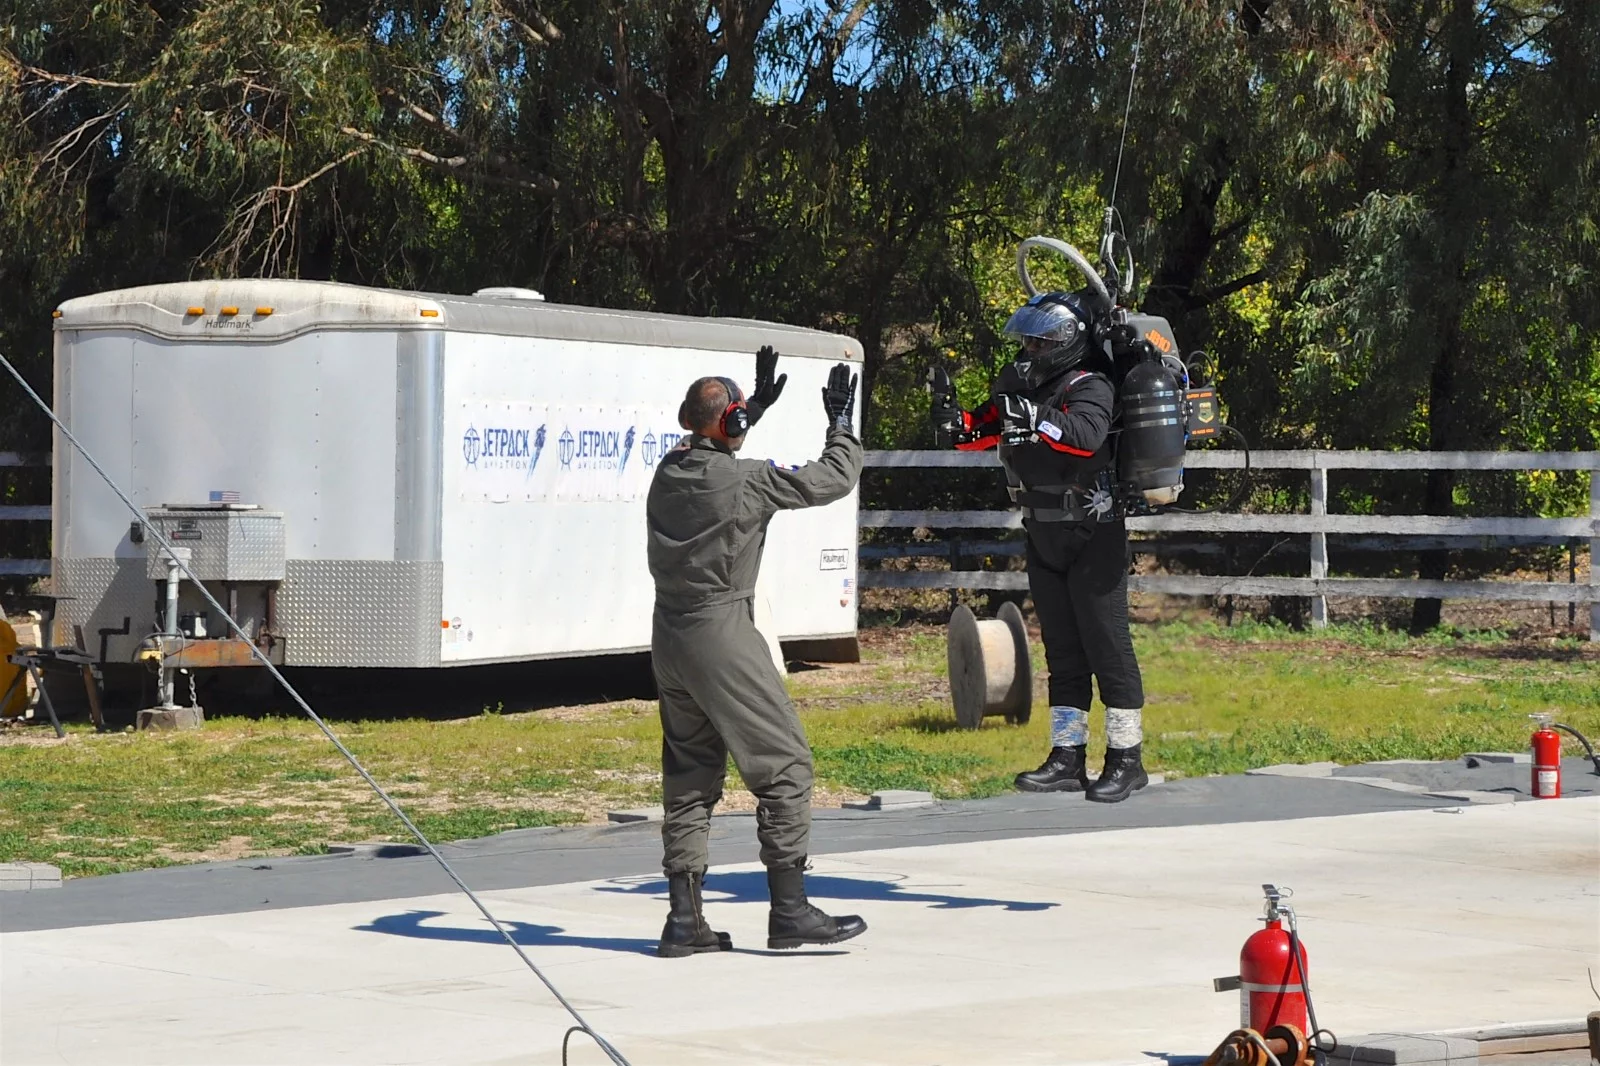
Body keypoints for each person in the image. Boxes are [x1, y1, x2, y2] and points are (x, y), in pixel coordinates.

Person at [646, 346, 868, 957]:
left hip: (671, 635)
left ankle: (684, 921)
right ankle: (790, 911)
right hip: (723, 629)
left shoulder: (668, 469)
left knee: (690, 775)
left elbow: (713, 449)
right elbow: (833, 478)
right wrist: (840, 424)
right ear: (732, 424)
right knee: (786, 765)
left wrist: (753, 411)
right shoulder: (747, 480)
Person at [929, 290, 1148, 803]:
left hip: (1093, 531)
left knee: (1108, 647)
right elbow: (980, 431)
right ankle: (1068, 755)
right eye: (1027, 338)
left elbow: (1086, 438)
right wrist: (951, 419)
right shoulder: (1018, 384)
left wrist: (1035, 417)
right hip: (1042, 531)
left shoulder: (1091, 384)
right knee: (1063, 651)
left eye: (1040, 339)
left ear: (1067, 342)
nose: (1029, 348)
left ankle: (1126, 758)